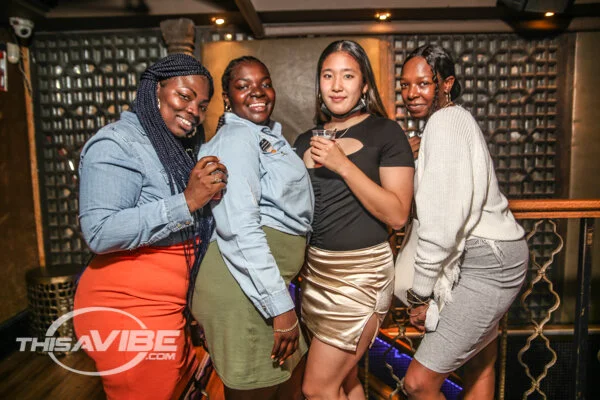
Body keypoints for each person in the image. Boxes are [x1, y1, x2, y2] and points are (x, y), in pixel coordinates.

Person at [74, 53, 227, 399]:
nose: (194, 111)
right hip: (128, 307)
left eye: (202, 105)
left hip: (168, 306)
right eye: (184, 96)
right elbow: (100, 232)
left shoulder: (173, 145)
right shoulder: (116, 143)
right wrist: (187, 201)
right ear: (156, 89)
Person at [398, 44, 528, 400]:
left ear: (447, 83)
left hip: (488, 262)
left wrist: (420, 293)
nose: (412, 93)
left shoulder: (444, 123)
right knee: (480, 363)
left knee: (418, 383)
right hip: (495, 255)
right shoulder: (453, 120)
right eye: (405, 85)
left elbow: (441, 224)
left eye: (423, 83)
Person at [294, 40, 415, 400]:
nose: (336, 86)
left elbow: (398, 214)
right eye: (328, 75)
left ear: (364, 85)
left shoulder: (385, 133)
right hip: (314, 275)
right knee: (345, 381)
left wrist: (342, 165)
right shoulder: (304, 139)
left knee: (317, 388)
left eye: (348, 76)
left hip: (361, 277)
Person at [191, 56, 314, 400]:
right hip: (241, 290)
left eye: (264, 83)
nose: (257, 92)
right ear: (227, 97)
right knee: (256, 389)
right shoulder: (235, 137)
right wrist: (281, 307)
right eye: (243, 86)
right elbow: (239, 228)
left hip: (260, 286)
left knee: (288, 386)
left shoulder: (263, 135)